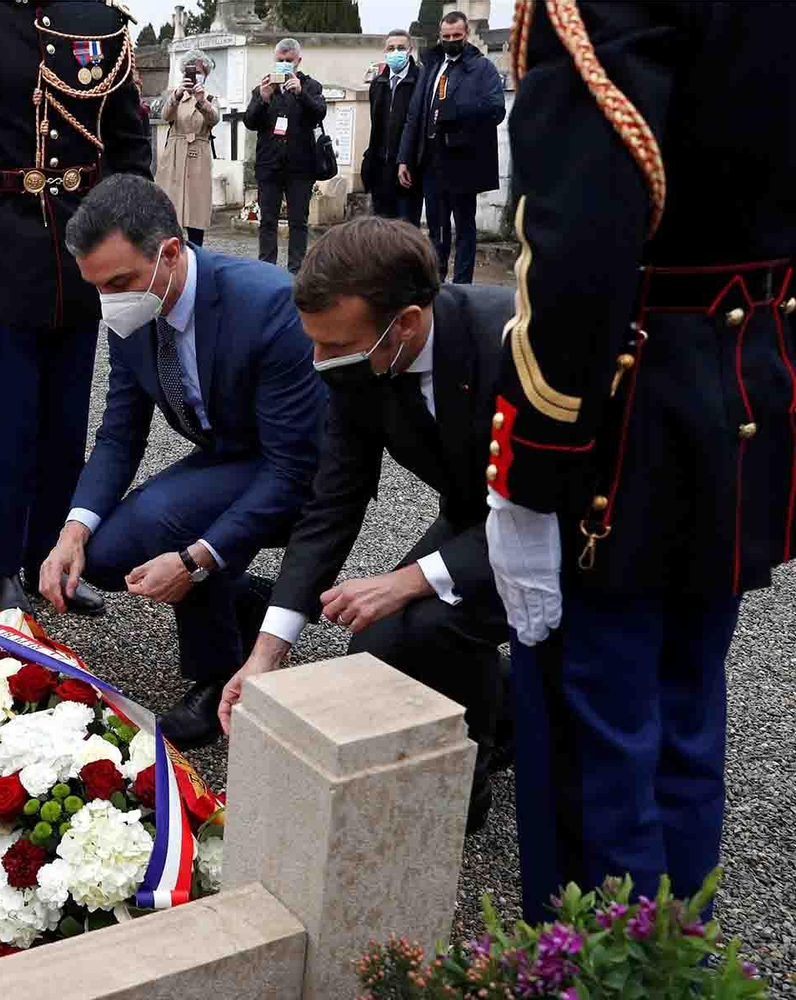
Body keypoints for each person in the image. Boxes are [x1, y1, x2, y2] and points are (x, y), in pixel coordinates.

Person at [486, 0, 796, 919]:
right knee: (689, 710)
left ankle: (611, 968)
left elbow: (579, 240)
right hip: (750, 386)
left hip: (628, 415)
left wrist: (528, 472)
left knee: (602, 731)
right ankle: (680, 948)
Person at [217, 217, 512, 834]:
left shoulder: (508, 341)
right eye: (314, 343)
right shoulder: (359, 361)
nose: (319, 361)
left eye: (334, 344)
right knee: (375, 650)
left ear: (406, 321)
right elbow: (335, 500)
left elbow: (547, 511)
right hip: (473, 518)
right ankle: (511, 717)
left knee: (434, 623)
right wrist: (267, 653)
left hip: (568, 534)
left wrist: (409, 581)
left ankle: (473, 771)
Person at [38, 174, 324, 749]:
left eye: (120, 281)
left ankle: (215, 673)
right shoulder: (135, 310)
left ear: (170, 252)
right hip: (229, 458)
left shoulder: (266, 304)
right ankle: (241, 596)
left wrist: (194, 561)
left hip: (303, 474)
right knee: (105, 552)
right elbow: (120, 433)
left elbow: (293, 468)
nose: (110, 301)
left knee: (178, 522)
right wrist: (72, 529)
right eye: (98, 287)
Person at [0, 0, 152, 615]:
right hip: (4, 255)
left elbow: (129, 147)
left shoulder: (101, 21)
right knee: (6, 423)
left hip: (85, 253)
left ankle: (49, 559)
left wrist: (136, 250)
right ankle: (0, 567)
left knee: (66, 423)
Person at [397, 11, 503, 284]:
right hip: (431, 160)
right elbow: (415, 115)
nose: (452, 41)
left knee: (464, 227)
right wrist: (404, 158)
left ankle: (462, 286)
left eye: (457, 36)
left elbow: (496, 109)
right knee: (436, 227)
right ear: (439, 36)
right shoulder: (432, 66)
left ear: (466, 35)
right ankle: (436, 283)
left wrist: (456, 111)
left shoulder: (482, 69)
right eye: (446, 37)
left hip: (463, 160)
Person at [242, 37, 325, 273]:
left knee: (298, 222)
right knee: (267, 221)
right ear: (274, 60)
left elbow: (319, 113)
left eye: (289, 61)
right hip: (270, 166)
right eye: (280, 61)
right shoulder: (264, 87)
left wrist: (301, 93)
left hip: (300, 167)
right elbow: (250, 121)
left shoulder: (311, 86)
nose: (285, 65)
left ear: (298, 61)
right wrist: (263, 98)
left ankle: (296, 270)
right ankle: (267, 269)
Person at [157, 50, 221, 247]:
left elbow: (214, 119)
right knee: (170, 211)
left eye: (199, 72)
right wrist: (176, 95)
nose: (194, 76)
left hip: (197, 157)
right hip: (175, 156)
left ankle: (195, 254)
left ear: (206, 75)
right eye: (190, 72)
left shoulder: (210, 99)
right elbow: (165, 116)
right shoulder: (176, 96)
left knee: (196, 212)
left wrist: (201, 101)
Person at [362, 30, 422, 226]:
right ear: (384, 51)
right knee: (380, 234)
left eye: (401, 48)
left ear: (410, 50)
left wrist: (408, 161)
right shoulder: (378, 83)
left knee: (405, 231)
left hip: (408, 171)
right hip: (380, 170)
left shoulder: (421, 81)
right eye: (391, 48)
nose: (396, 52)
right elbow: (376, 127)